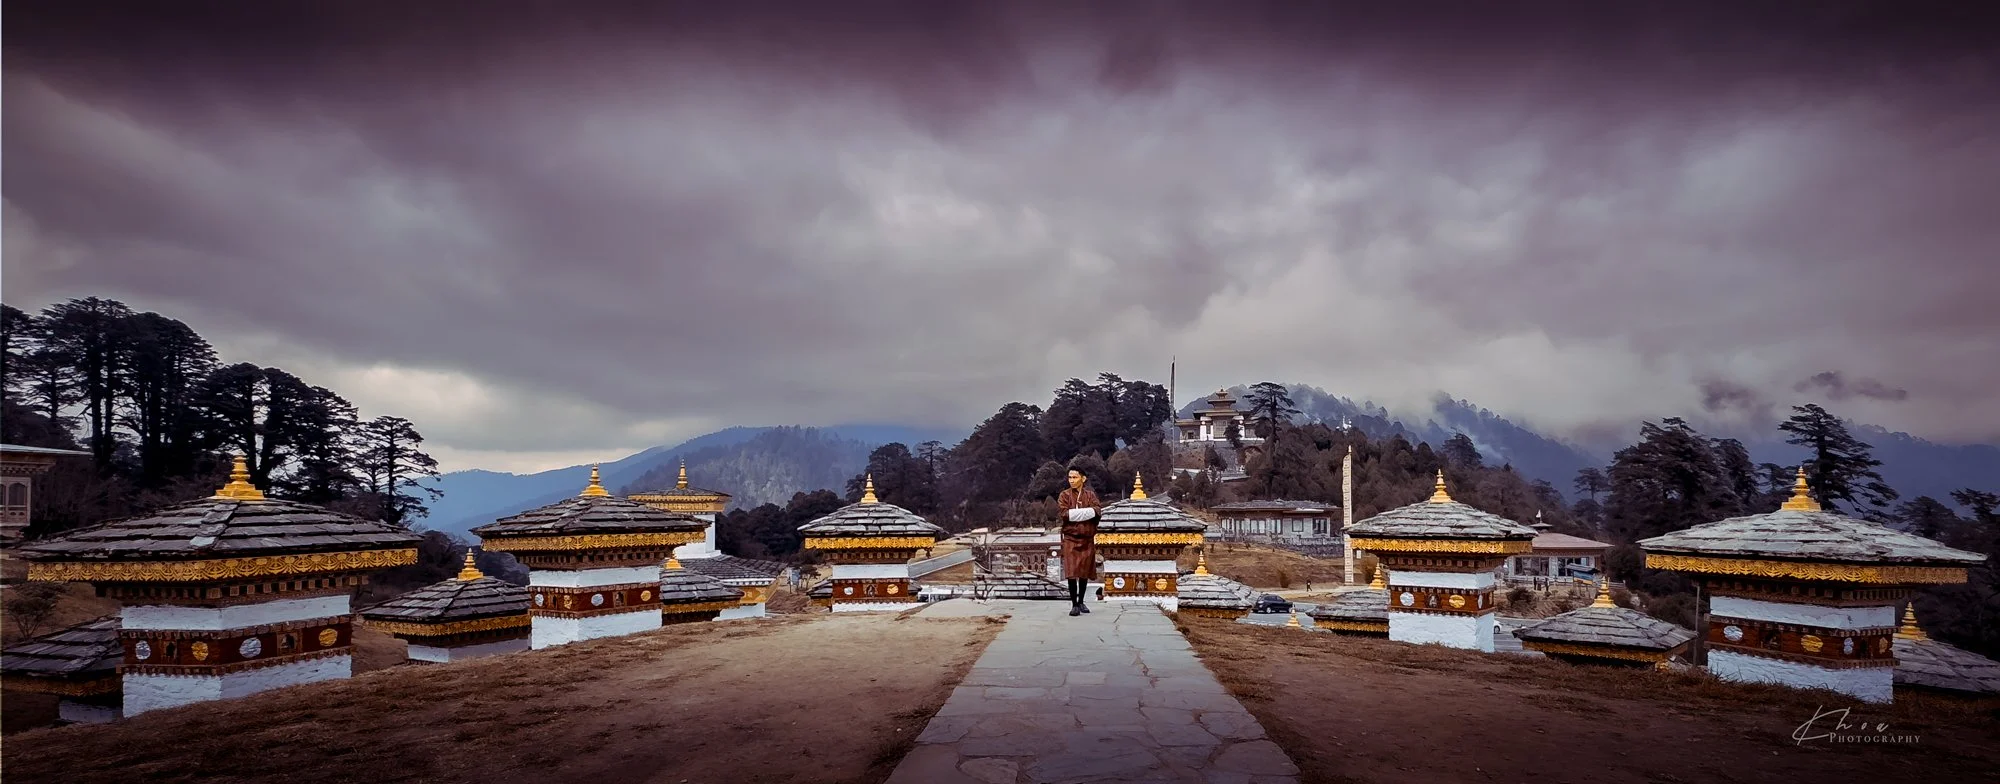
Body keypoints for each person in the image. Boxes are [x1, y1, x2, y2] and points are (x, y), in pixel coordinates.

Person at [1056, 466, 1103, 616]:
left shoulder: (1090, 495)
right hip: (1071, 538)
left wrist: (1077, 514)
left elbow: (1097, 511)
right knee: (1071, 571)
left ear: (1083, 478)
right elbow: (1065, 514)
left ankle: (1081, 601)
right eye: (1069, 477)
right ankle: (1074, 604)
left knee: (1083, 571)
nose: (1071, 480)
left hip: (1087, 538)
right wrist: (1086, 513)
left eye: (1075, 477)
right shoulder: (1064, 495)